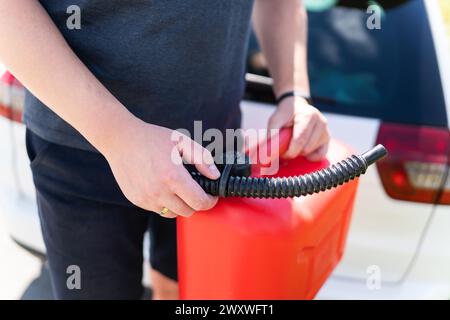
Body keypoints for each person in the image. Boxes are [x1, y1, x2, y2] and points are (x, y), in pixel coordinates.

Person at [0, 0, 330, 299]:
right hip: (83, 146)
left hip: (213, 146)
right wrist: (119, 137)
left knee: (187, 292)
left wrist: (293, 91)